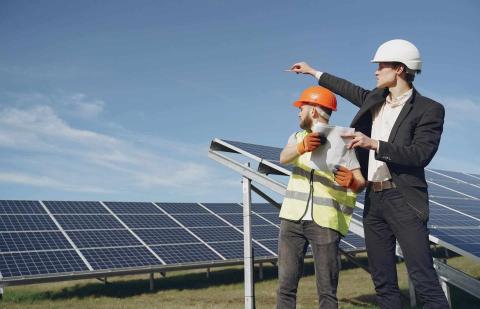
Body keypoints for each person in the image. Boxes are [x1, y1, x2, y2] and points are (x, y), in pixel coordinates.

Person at [288, 39, 449, 308]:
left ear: (400, 69)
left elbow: (421, 154)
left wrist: (374, 144)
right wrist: (313, 71)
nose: (376, 71)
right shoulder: (375, 100)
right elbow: (346, 88)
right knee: (383, 280)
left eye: (381, 65)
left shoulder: (429, 109)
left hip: (404, 200)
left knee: (423, 278)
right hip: (374, 202)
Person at [277, 85, 365, 309]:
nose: (298, 112)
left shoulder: (344, 141)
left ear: (314, 111)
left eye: (302, 107)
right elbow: (283, 157)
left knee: (327, 291)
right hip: (292, 220)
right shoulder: (297, 137)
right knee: (285, 286)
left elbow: (360, 182)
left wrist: (352, 182)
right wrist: (301, 147)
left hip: (325, 222)